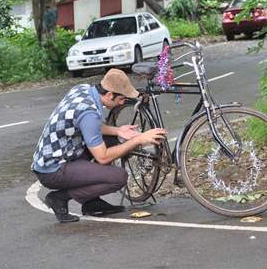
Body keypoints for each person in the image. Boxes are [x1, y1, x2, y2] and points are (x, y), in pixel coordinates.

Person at [32, 68, 166, 223]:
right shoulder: (88, 112)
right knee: (118, 177)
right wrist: (137, 140)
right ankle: (59, 198)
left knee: (110, 138)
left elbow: (87, 125)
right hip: (53, 170)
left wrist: (118, 131)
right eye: (121, 99)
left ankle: (92, 203)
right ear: (109, 95)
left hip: (62, 154)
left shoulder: (83, 89)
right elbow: (102, 157)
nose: (122, 103)